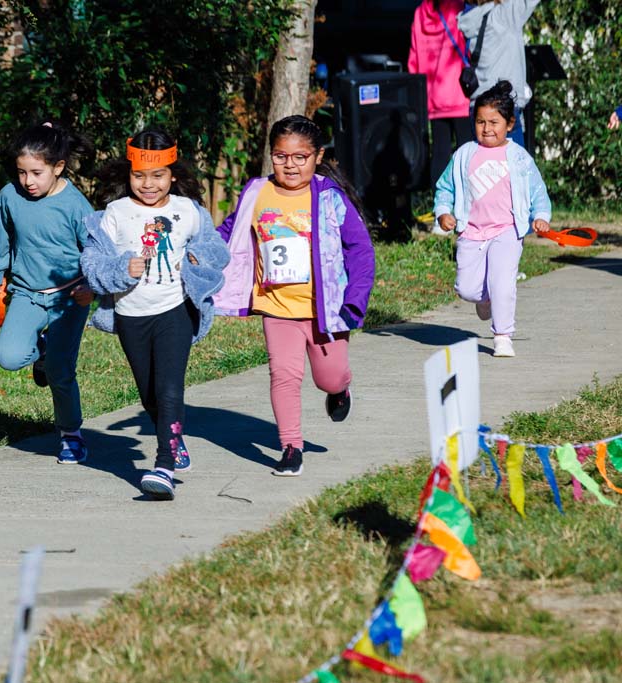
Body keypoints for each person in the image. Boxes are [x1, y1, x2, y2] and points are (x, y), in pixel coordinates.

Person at [215, 115, 375, 478]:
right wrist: (199, 250)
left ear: (317, 156)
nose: (290, 165)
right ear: (271, 155)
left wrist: (356, 297)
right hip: (277, 306)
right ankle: (291, 446)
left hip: (325, 310)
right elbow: (230, 231)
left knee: (329, 377)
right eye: (281, 156)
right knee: (283, 375)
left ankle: (340, 391)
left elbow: (361, 248)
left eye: (300, 157)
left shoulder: (329, 198)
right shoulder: (257, 193)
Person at [80, 129, 229, 500]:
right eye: (140, 175)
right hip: (131, 315)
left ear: (172, 174)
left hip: (174, 311)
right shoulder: (113, 215)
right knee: (148, 393)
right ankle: (173, 435)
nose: (148, 184)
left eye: (158, 175)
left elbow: (216, 251)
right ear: (128, 172)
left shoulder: (188, 212)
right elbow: (92, 264)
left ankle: (163, 464)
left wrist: (197, 260)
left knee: (168, 388)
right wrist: (119, 271)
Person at [0, 122, 95, 464]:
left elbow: (96, 250)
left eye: (36, 172)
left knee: (60, 371)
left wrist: (92, 284)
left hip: (69, 297)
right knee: (9, 357)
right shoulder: (9, 197)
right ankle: (40, 349)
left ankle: (70, 433)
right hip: (27, 292)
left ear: (59, 167)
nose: (27, 181)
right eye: (21, 172)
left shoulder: (75, 205)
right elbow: (1, 240)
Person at [435, 80, 552, 358]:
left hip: (506, 231)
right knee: (467, 289)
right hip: (472, 232)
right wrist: (444, 212)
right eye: (480, 122)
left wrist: (541, 216)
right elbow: (445, 187)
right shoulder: (464, 155)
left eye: (494, 122)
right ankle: (484, 300)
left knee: (503, 282)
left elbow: (537, 189)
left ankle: (502, 336)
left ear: (510, 124)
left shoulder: (519, 157)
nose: (487, 129)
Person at [457, 0, 540, 149]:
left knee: (483, 169)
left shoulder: (471, 18)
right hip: (502, 108)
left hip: (478, 108)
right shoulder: (503, 16)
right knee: (513, 170)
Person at [409, 0, 474, 189]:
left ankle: (441, 209)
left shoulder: (420, 12)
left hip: (434, 97)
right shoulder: (457, 7)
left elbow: (414, 59)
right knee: (467, 153)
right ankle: (468, 205)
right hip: (460, 93)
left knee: (440, 153)